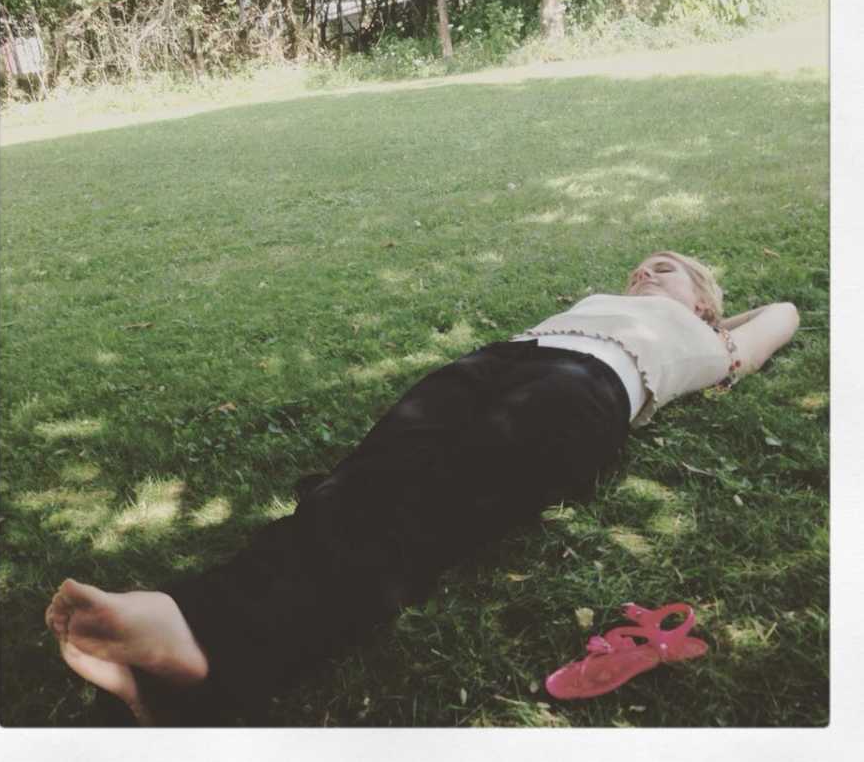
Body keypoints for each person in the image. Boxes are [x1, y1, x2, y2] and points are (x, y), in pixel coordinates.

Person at [44, 251, 800, 726]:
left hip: (585, 390)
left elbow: (784, 314)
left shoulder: (712, 344)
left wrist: (708, 316)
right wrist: (668, 290)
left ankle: (205, 644)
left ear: (703, 302)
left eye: (663, 268)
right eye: (640, 265)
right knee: (356, 484)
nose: (644, 272)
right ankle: (185, 658)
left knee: (424, 514)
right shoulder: (609, 301)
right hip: (500, 362)